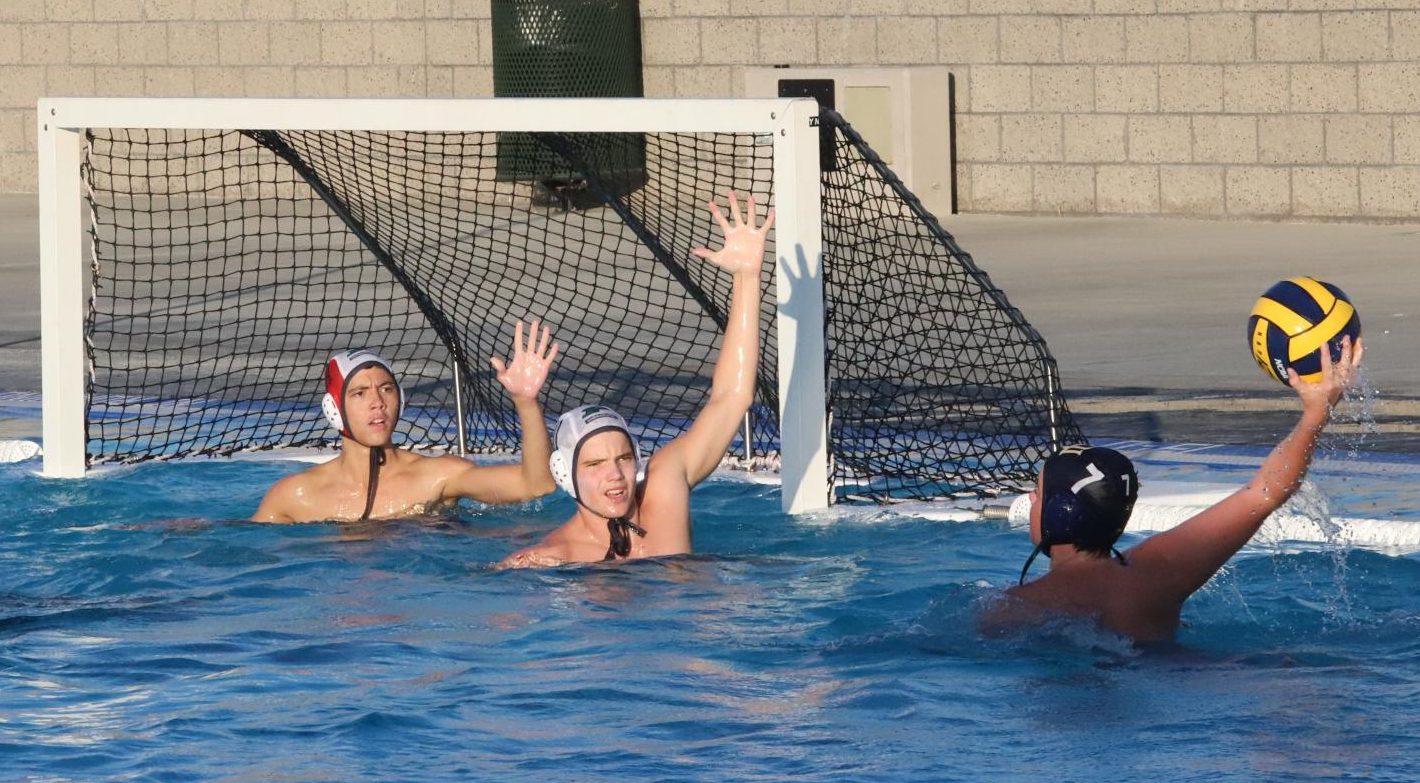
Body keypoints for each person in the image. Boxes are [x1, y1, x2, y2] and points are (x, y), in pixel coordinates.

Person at [984, 335, 1363, 643]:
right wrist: (1316, 413)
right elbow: (1264, 492)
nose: (1030, 500)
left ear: (1060, 510)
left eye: (1038, 493)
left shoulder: (1011, 610)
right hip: (1178, 678)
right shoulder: (1156, 574)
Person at [500, 191, 773, 567]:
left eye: (624, 458)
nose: (615, 476)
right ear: (565, 475)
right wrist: (525, 405)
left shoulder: (665, 489)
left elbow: (731, 398)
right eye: (594, 465)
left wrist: (747, 277)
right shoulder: (545, 560)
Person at [252, 320, 560, 523]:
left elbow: (535, 485)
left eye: (386, 389)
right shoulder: (294, 496)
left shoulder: (438, 476)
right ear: (334, 409)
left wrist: (526, 402)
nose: (377, 402)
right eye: (359, 393)